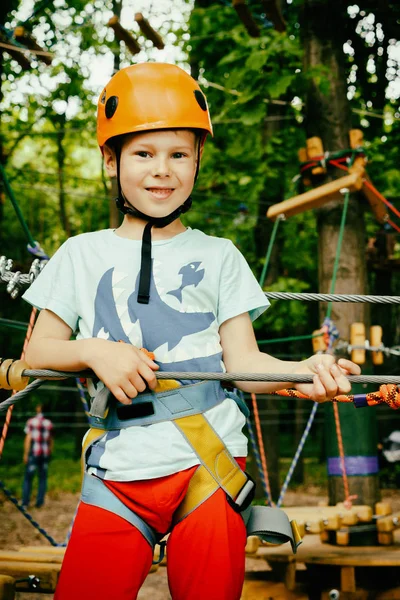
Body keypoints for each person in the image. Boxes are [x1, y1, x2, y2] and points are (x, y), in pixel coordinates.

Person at [22, 63, 361, 600]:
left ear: (197, 159)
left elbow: (244, 364)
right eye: (143, 154)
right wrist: (95, 352)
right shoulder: (80, 255)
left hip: (210, 468)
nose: (163, 171)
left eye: (178, 154)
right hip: (116, 470)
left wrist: (306, 369)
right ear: (111, 160)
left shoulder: (219, 256)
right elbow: (34, 353)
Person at [22, 402, 54, 509]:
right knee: (42, 478)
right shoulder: (48, 423)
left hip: (34, 453)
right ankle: (39, 502)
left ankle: (25, 502)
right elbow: (50, 440)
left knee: (28, 478)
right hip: (44, 454)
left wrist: (25, 454)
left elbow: (28, 439)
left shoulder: (31, 422)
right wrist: (50, 452)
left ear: (38, 408)